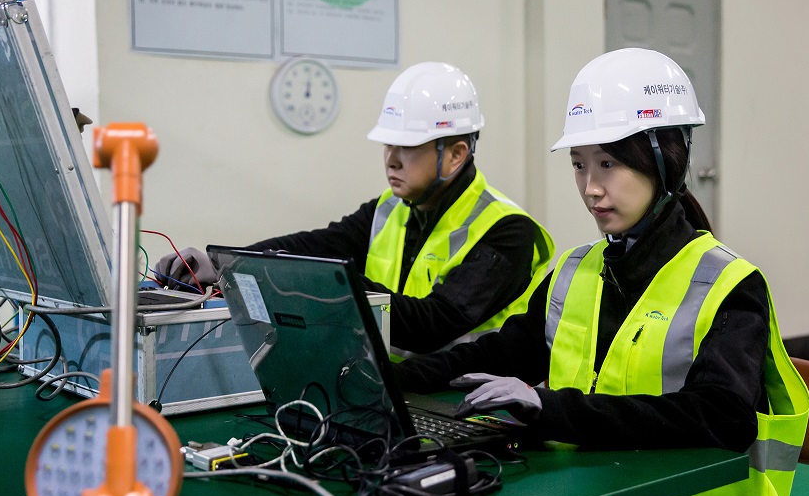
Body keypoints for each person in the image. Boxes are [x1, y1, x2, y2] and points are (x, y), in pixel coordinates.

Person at [393, 48, 809, 496]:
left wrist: (549, 408)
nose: (590, 189)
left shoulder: (729, 284)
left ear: (666, 160)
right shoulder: (577, 270)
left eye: (608, 164)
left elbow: (720, 415)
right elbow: (500, 352)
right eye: (578, 165)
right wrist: (387, 376)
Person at [156, 61, 554, 355]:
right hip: (396, 390)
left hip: (465, 404)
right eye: (388, 144)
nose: (391, 159)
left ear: (455, 155)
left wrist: (326, 283)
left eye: (408, 146)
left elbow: (434, 325)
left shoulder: (507, 231)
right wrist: (223, 262)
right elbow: (318, 244)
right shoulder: (390, 208)